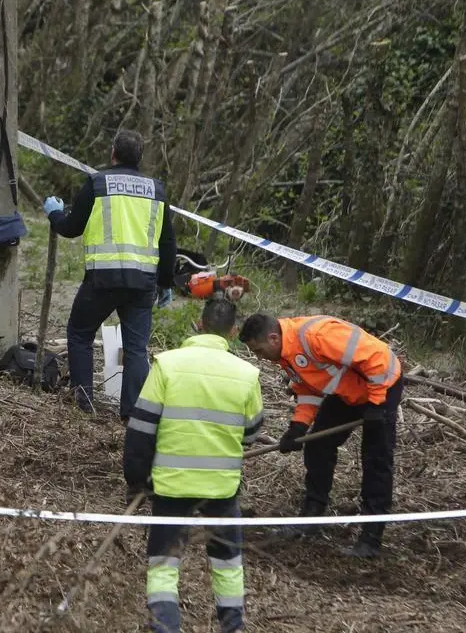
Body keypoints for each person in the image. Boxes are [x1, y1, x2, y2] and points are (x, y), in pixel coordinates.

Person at [124, 299, 262, 633]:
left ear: (199, 324)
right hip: (221, 486)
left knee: (164, 564)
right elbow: (252, 432)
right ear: (233, 332)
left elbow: (141, 428)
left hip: (171, 484)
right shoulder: (248, 375)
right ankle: (233, 626)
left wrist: (137, 479)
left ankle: (165, 627)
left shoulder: (167, 365)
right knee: (228, 563)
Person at [239, 313, 403, 558]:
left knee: (375, 459)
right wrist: (298, 427)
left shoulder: (318, 336)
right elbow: (309, 388)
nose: (259, 357)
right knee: (318, 445)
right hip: (348, 393)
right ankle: (311, 517)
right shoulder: (286, 353)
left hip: (382, 385)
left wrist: (377, 403)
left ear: (273, 338)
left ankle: (371, 538)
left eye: (259, 351)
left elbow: (377, 359)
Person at [43, 130, 176, 418]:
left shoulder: (98, 183)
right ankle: (132, 415)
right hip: (142, 282)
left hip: (102, 280)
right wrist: (166, 282)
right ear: (140, 157)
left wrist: (54, 213)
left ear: (112, 151)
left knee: (80, 334)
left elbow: (71, 228)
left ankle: (83, 405)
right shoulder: (156, 189)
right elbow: (167, 241)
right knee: (136, 349)